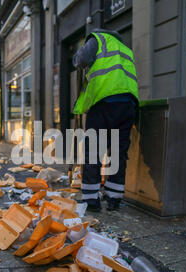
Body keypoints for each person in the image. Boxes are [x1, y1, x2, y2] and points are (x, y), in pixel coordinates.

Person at [72, 29, 140, 212]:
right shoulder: (125, 48)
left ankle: (91, 199)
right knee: (118, 153)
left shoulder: (97, 39)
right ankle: (114, 198)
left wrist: (76, 57)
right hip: (127, 104)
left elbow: (81, 59)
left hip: (104, 102)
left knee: (93, 151)